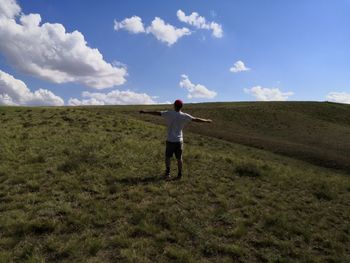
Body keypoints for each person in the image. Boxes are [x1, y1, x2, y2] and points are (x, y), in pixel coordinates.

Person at [140, 99, 212, 180]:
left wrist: (145, 112)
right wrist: (206, 121)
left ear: (174, 105)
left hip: (170, 140)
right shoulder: (185, 116)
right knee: (179, 158)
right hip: (179, 141)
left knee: (168, 157)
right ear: (181, 107)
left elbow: (156, 113)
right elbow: (196, 119)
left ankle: (168, 173)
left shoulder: (169, 113)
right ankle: (180, 174)